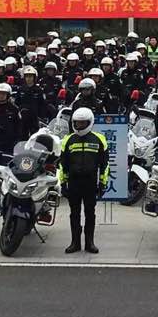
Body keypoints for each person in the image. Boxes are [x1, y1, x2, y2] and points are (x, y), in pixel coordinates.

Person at [59, 107, 109, 254]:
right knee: (74, 213)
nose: (79, 125)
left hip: (90, 182)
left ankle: (89, 243)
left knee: (90, 213)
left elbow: (105, 164)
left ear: (90, 122)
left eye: (82, 123)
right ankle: (75, 242)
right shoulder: (68, 139)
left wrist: (103, 183)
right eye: (77, 123)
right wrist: (63, 183)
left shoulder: (99, 139)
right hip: (73, 182)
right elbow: (63, 164)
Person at [15, 66, 49, 138]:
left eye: (30, 76)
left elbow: (42, 104)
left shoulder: (39, 90)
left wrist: (42, 116)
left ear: (34, 77)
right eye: (27, 76)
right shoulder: (21, 89)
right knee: (22, 136)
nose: (28, 78)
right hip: (23, 117)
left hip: (34, 118)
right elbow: (17, 103)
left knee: (34, 137)